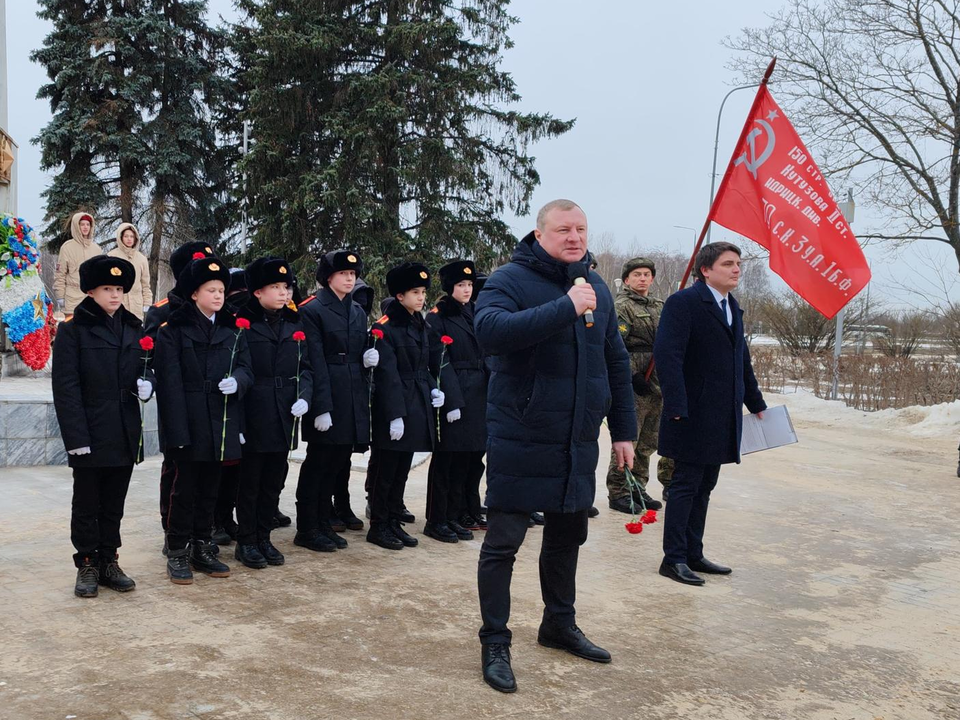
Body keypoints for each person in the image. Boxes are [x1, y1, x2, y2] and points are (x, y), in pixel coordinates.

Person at [474, 199, 637, 693]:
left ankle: (558, 624)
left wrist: (624, 428)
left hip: (577, 438)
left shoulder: (596, 287)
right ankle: (495, 640)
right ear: (539, 234)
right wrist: (564, 307)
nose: (574, 237)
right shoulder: (508, 280)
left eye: (581, 229)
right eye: (563, 229)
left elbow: (615, 360)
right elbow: (491, 333)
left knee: (568, 537)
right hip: (522, 433)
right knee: (503, 543)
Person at [653, 241, 766, 587]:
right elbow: (667, 355)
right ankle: (672, 559)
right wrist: (675, 404)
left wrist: (755, 401)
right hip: (689, 413)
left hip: (721, 415)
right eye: (728, 264)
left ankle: (693, 553)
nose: (736, 269)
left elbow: (740, 361)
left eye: (738, 264)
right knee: (685, 485)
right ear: (706, 270)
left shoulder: (732, 307)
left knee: (705, 485)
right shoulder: (684, 303)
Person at [52, 255, 153, 598]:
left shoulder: (134, 327)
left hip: (124, 429)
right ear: (91, 291)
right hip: (91, 430)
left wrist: (147, 383)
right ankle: (87, 564)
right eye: (107, 288)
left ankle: (110, 559)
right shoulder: (72, 331)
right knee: (87, 502)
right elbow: (66, 388)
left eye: (119, 289)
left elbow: (144, 366)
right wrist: (76, 437)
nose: (114, 295)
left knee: (114, 502)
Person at [154, 256, 253, 584]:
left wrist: (237, 381)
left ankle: (202, 545)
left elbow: (246, 368)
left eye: (222, 290)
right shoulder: (174, 330)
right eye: (211, 290)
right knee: (185, 489)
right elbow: (169, 385)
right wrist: (177, 432)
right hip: (189, 419)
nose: (218, 296)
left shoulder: (232, 328)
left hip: (221, 419)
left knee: (211, 487)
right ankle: (178, 548)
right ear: (194, 293)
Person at [366, 262, 454, 550]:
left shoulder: (421, 324)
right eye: (414, 292)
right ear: (399, 296)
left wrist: (433, 389)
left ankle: (393, 519)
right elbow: (386, 375)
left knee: (401, 467)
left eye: (423, 292)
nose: (421, 297)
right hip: (394, 405)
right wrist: (394, 415)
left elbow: (424, 365)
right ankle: (379, 525)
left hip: (415, 401)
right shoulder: (385, 329)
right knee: (386, 469)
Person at [232, 257, 312, 569]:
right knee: (250, 482)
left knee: (273, 480)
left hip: (284, 413)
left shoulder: (293, 324)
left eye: (286, 287)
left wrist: (304, 395)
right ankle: (247, 540)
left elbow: (306, 367)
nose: (283, 293)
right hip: (255, 410)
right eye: (275, 288)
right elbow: (239, 368)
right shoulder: (243, 324)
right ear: (257, 292)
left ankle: (264, 537)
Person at [295, 250, 371, 553]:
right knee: (318, 462)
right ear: (329, 278)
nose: (350, 278)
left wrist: (367, 358)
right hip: (327, 393)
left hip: (351, 393)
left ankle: (324, 521)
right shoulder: (313, 309)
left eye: (353, 274)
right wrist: (321, 407)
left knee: (339, 461)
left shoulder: (357, 310)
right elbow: (314, 360)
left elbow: (357, 350)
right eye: (343, 274)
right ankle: (307, 527)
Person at [143, 241, 216, 554]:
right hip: (176, 401)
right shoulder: (163, 312)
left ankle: (204, 530)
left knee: (208, 472)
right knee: (176, 469)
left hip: (208, 405)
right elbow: (146, 354)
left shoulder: (218, 311)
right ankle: (170, 527)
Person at [423, 259, 488, 543]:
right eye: (461, 285)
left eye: (470, 285)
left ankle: (459, 511)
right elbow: (440, 360)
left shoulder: (473, 311)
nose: (466, 289)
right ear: (449, 288)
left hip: (479, 392)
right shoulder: (438, 316)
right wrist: (451, 401)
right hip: (457, 391)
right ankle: (438, 518)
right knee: (447, 460)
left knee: (469, 458)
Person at [605, 257, 666, 514]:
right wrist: (631, 375)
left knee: (649, 440)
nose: (642, 279)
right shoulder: (622, 307)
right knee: (630, 437)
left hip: (657, 381)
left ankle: (638, 486)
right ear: (627, 279)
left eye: (647, 274)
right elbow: (616, 345)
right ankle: (619, 490)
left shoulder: (660, 306)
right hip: (634, 379)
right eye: (637, 274)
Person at [54, 212, 103, 317]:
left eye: (88, 224)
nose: (85, 227)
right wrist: (60, 296)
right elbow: (60, 274)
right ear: (76, 226)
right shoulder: (67, 247)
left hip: (92, 298)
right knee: (73, 331)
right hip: (72, 298)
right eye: (82, 224)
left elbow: (100, 276)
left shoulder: (96, 249)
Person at [108, 223, 153, 319]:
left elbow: (145, 283)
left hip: (136, 304)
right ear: (121, 237)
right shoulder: (111, 256)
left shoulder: (142, 259)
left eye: (132, 236)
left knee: (135, 332)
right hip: (118, 302)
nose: (129, 239)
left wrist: (147, 301)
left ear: (135, 238)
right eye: (126, 236)